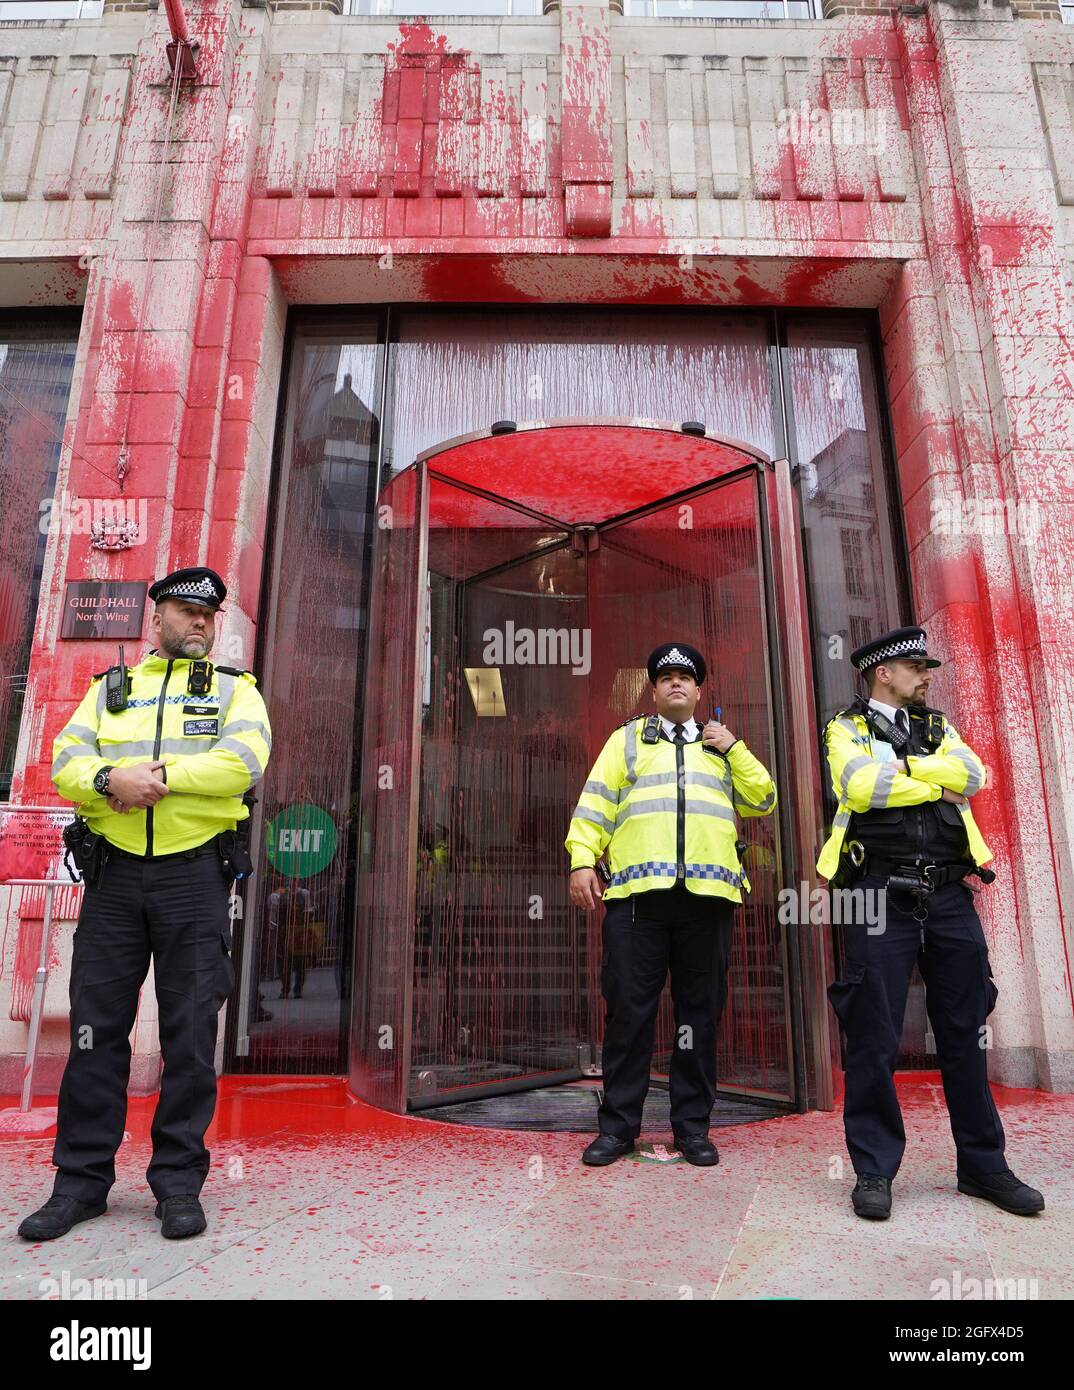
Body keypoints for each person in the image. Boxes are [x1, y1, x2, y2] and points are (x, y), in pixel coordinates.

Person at [18, 566, 272, 1242]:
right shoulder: (109, 691)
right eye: (187, 612)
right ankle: (80, 1183)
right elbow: (66, 761)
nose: (199, 624)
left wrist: (151, 779)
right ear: (156, 616)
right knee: (95, 1030)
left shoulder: (235, 693)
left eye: (208, 616)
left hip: (193, 877)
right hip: (114, 880)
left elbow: (243, 765)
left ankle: (178, 1183)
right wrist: (108, 778)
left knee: (191, 1034)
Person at [818, 625, 1043, 1219]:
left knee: (965, 1029)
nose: (926, 677)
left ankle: (984, 1167)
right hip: (876, 891)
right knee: (873, 1033)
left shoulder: (939, 726)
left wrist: (911, 773)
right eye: (917, 667)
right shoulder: (844, 727)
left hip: (948, 893)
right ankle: (873, 1169)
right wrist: (928, 775)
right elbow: (862, 786)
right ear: (882, 672)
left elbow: (973, 776)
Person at [565, 642, 777, 1166]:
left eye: (686, 677)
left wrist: (734, 747)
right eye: (665, 678)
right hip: (639, 901)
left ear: (700, 691)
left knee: (698, 1019)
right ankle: (617, 1129)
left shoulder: (722, 747)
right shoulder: (628, 740)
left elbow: (764, 797)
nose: (676, 684)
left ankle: (692, 1129)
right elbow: (595, 802)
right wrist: (581, 859)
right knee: (629, 1018)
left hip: (707, 901)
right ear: (654, 690)